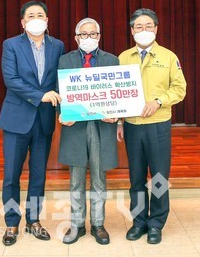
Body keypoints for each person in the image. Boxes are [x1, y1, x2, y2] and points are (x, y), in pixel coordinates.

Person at [0, 1, 65, 246]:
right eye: (31, 15)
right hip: (17, 119)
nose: (36, 19)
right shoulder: (11, 44)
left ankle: (33, 220)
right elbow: (11, 79)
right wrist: (40, 96)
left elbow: (60, 80)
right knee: (11, 175)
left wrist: (65, 108)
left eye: (40, 15)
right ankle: (11, 222)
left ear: (47, 20)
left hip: (44, 120)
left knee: (38, 175)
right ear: (23, 22)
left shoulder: (57, 45)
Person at [117, 8, 186, 245]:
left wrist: (158, 102)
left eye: (148, 26)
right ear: (132, 31)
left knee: (158, 177)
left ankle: (156, 223)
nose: (143, 30)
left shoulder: (168, 57)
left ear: (156, 29)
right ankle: (139, 222)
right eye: (139, 26)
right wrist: (119, 121)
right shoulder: (123, 57)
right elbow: (117, 93)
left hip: (158, 126)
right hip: (132, 126)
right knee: (136, 178)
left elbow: (179, 89)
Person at [57, 18, 120, 245]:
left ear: (99, 36)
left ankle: (98, 224)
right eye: (84, 34)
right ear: (76, 38)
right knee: (75, 179)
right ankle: (76, 225)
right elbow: (59, 91)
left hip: (102, 125)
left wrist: (116, 115)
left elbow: (118, 92)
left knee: (99, 178)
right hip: (75, 126)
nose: (88, 38)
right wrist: (62, 113)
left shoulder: (112, 60)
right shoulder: (65, 60)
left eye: (93, 34)